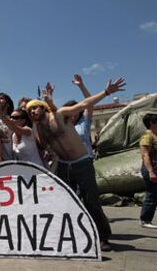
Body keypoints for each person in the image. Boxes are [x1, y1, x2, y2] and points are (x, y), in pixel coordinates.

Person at [26, 77, 126, 251]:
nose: (32, 112)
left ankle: (103, 237)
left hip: (82, 162)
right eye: (29, 111)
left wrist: (107, 92)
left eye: (34, 107)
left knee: (91, 201)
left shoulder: (60, 114)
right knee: (66, 201)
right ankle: (75, 234)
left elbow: (84, 104)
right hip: (64, 165)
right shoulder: (39, 128)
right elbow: (41, 146)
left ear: (42, 107)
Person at [0, 101, 44, 166]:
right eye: (11, 117)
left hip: (37, 170)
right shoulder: (13, 135)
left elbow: (13, 127)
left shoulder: (28, 131)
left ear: (23, 120)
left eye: (15, 118)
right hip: (24, 172)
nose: (11, 119)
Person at [138, 113, 157, 229]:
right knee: (152, 195)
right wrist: (151, 171)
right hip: (151, 169)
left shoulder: (155, 135)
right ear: (151, 123)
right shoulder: (147, 137)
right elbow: (145, 155)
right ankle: (145, 220)